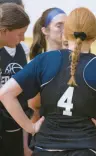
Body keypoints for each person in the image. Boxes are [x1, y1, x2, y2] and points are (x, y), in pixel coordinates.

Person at [0, 7, 96, 156]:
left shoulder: (44, 60)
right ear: (95, 37)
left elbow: (5, 93)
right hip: (88, 148)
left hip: (47, 148)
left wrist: (30, 127)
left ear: (65, 34)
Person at [0, 3, 31, 156]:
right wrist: (31, 127)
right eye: (20, 33)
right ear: (4, 31)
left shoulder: (20, 51)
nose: (23, 38)